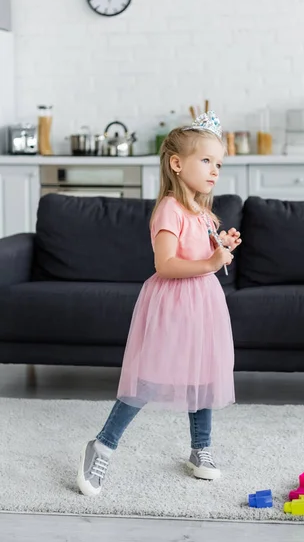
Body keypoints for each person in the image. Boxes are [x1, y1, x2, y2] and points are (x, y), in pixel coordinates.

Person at [77, 111, 242, 497]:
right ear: (177, 163)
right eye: (206, 161)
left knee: (202, 376)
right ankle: (102, 445)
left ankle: (200, 448)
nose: (214, 170)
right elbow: (165, 264)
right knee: (147, 378)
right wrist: (211, 262)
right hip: (173, 303)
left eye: (218, 163)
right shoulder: (170, 208)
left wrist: (221, 246)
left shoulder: (204, 213)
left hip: (203, 305)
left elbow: (203, 257)